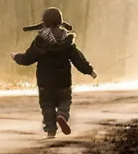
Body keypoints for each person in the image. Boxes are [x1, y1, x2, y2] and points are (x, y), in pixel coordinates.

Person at [10, 7, 97, 139]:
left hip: (45, 83)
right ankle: (62, 115)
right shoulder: (67, 42)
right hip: (63, 82)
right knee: (65, 101)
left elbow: (28, 58)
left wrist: (16, 57)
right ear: (60, 22)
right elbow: (78, 59)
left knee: (47, 106)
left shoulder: (40, 41)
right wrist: (89, 70)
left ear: (44, 22)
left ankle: (51, 130)